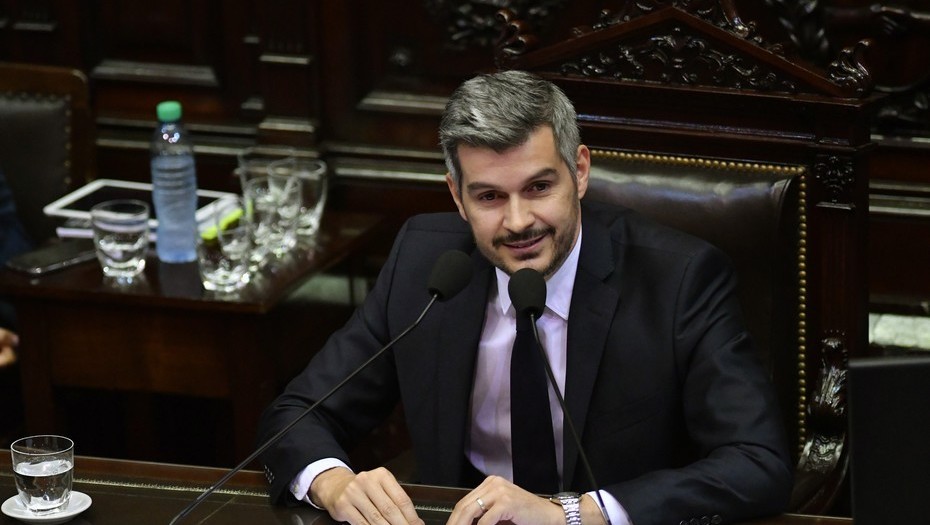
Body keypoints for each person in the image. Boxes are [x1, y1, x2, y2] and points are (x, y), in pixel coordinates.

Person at [257, 70, 793, 525]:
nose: (517, 223)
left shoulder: (679, 280)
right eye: (490, 196)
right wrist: (331, 481)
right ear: (457, 197)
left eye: (539, 187)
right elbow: (298, 413)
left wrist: (575, 514)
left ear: (579, 171)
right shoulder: (425, 265)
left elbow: (757, 463)